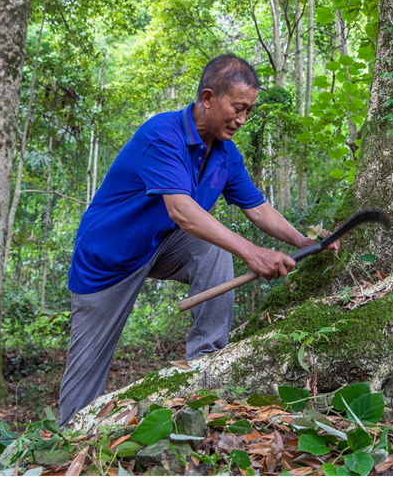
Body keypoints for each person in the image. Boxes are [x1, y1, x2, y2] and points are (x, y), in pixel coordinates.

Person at [58, 54, 332, 427]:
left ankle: (206, 364)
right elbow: (182, 211)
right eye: (237, 108)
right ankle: (68, 437)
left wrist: (303, 239)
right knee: (85, 371)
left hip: (162, 246)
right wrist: (252, 252)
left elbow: (259, 210)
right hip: (109, 261)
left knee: (214, 249)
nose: (242, 120)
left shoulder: (225, 155)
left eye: (249, 110)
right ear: (207, 98)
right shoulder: (163, 134)